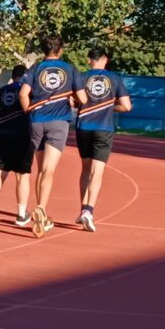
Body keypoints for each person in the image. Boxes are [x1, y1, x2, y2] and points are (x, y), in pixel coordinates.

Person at [19, 34, 87, 237]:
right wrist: (72, 99)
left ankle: (43, 210)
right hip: (58, 123)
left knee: (40, 170)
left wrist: (29, 112)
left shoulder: (36, 68)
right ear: (61, 49)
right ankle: (41, 207)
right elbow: (83, 97)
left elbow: (23, 94)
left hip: (36, 121)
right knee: (49, 171)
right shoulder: (70, 69)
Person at [74, 46, 132, 232]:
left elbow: (73, 101)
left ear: (90, 60)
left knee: (85, 170)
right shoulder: (114, 78)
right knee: (97, 172)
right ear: (105, 59)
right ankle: (89, 211)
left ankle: (83, 208)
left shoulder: (82, 77)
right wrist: (110, 108)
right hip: (104, 128)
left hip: (83, 127)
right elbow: (127, 106)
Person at [0, 64, 34, 229]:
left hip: (2, 133)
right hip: (22, 134)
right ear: (26, 75)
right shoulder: (28, 90)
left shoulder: (4, 90)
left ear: (12, 76)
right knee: (22, 176)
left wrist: (3, 114)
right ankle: (21, 213)